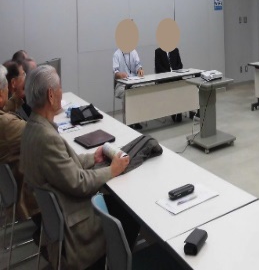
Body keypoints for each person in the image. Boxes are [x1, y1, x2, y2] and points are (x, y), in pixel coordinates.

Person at [20, 65, 134, 270]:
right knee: (128, 213)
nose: (62, 92)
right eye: (60, 88)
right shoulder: (46, 138)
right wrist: (112, 170)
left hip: (58, 217)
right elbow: (79, 183)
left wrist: (93, 158)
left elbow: (62, 167)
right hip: (75, 224)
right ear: (51, 95)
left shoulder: (32, 128)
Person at [0, 64, 39, 221]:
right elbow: (40, 133)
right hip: (27, 191)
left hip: (11, 187)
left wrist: (16, 97)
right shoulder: (7, 124)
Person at [155, 47, 183, 121]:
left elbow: (180, 64)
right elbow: (158, 67)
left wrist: (174, 72)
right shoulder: (158, 51)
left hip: (175, 77)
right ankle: (173, 112)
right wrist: (168, 74)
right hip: (165, 78)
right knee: (171, 91)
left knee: (181, 88)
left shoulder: (175, 50)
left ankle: (179, 111)